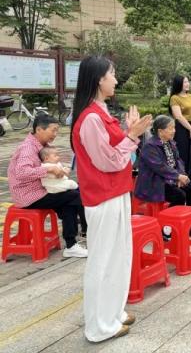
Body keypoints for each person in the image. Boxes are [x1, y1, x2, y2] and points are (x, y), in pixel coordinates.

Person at [71, 55, 152, 342]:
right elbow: (109, 161)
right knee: (103, 261)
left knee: (118, 257)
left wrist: (130, 133)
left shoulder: (100, 112)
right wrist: (132, 136)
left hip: (114, 193)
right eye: (112, 74)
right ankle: (98, 326)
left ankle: (112, 313)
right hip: (103, 196)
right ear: (98, 80)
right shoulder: (91, 118)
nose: (116, 80)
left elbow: (117, 151)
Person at [8, 115, 87, 258]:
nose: (55, 134)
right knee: (75, 196)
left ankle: (73, 242)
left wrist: (60, 170)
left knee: (72, 197)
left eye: (57, 131)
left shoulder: (43, 146)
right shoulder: (28, 148)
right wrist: (49, 169)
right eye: (53, 130)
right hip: (30, 195)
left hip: (43, 190)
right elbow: (22, 172)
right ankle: (80, 235)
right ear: (39, 129)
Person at [133, 115, 191, 239]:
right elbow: (159, 167)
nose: (174, 131)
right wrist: (177, 176)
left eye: (174, 128)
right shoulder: (150, 146)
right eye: (171, 128)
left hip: (171, 179)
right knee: (179, 195)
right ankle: (166, 228)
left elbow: (178, 161)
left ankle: (190, 225)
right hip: (154, 182)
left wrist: (181, 176)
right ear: (160, 131)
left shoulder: (170, 142)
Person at [169, 75, 191, 171]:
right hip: (182, 127)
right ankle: (183, 174)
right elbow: (178, 116)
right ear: (179, 84)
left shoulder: (190, 96)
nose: (187, 84)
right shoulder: (174, 98)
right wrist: (190, 128)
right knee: (183, 152)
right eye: (185, 82)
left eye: (187, 81)